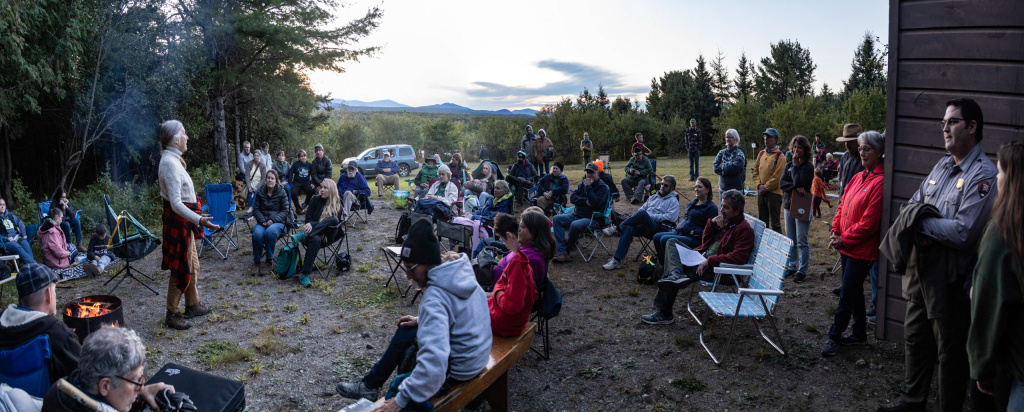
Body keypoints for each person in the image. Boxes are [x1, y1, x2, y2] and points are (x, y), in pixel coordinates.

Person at [877, 98, 998, 412]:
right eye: (943, 122)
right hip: (922, 276)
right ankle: (911, 402)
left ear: (972, 127)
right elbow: (912, 205)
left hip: (951, 282)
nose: (945, 128)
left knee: (949, 355)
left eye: (953, 122)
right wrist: (921, 219)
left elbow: (962, 232)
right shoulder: (941, 165)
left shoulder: (983, 175)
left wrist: (920, 222)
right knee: (916, 341)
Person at [335, 220, 490, 408]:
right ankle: (370, 385)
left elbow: (434, 368)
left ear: (426, 262)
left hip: (460, 369)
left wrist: (398, 401)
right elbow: (464, 311)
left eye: (410, 268)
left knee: (398, 386)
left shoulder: (434, 298)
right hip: (478, 354)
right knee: (405, 330)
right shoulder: (458, 271)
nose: (408, 276)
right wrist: (421, 320)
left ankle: (376, 389)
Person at [642, 189, 755, 325]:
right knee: (671, 242)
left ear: (737, 211)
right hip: (702, 258)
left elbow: (739, 257)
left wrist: (710, 261)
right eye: (721, 205)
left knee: (675, 264)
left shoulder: (744, 230)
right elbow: (705, 241)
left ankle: (665, 312)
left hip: (719, 270)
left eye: (726, 207)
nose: (721, 210)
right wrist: (712, 223)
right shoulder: (727, 221)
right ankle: (676, 275)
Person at [968, 141, 1024, 409]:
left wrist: (981, 367)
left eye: (1000, 170)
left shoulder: (1003, 232)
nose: (996, 176)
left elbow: (988, 307)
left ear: (1011, 178)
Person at [821, 131, 885, 357]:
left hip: (862, 250)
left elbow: (869, 223)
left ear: (878, 152)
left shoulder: (880, 181)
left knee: (847, 293)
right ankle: (859, 333)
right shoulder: (858, 177)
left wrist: (843, 239)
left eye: (866, 148)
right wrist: (835, 229)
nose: (862, 152)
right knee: (854, 290)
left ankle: (834, 336)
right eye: (860, 148)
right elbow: (841, 206)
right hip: (846, 246)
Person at [157, 120, 216, 330]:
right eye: (184, 133)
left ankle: (192, 304)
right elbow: (175, 203)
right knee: (181, 268)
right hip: (180, 221)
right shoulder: (170, 164)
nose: (187, 137)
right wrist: (198, 219)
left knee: (193, 265)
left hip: (185, 222)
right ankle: (172, 313)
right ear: (175, 139)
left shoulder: (174, 160)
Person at [41, 327, 174, 412]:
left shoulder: (61, 392)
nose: (140, 387)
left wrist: (139, 395)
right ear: (105, 386)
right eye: (136, 380)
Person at [0, 263, 81, 386]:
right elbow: (83, 378)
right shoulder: (57, 334)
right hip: (44, 403)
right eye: (55, 290)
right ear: (49, 294)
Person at [603, 175, 680, 270]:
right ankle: (617, 260)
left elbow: (670, 218)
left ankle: (617, 228)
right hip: (644, 225)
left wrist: (649, 216)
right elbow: (641, 209)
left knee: (643, 214)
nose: (662, 186)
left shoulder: (673, 201)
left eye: (666, 185)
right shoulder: (654, 196)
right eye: (662, 184)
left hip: (658, 229)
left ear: (672, 188)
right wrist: (645, 216)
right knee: (629, 227)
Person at [487, 213, 537, 337]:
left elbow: (512, 306)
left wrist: (497, 292)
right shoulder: (528, 257)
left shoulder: (519, 263)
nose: (504, 244)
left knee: (464, 309)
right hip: (512, 320)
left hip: (506, 325)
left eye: (504, 241)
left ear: (509, 236)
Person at [652, 177, 718, 264]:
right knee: (657, 237)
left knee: (665, 239)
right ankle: (664, 264)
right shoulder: (692, 203)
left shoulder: (711, 208)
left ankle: (672, 267)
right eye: (695, 187)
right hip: (680, 232)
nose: (696, 189)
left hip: (694, 238)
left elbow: (711, 231)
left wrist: (694, 232)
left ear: (707, 189)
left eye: (699, 187)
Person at [552, 163, 610, 263]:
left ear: (597, 173)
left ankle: (566, 249)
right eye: (588, 172)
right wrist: (585, 201)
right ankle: (562, 251)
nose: (589, 175)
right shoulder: (581, 184)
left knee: (574, 225)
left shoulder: (602, 188)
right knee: (556, 219)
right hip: (576, 214)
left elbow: (595, 204)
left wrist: (588, 187)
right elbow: (573, 198)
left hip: (592, 219)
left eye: (592, 172)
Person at [779, 135, 814, 282]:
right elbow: (782, 184)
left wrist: (795, 166)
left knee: (801, 239)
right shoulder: (788, 166)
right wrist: (795, 187)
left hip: (801, 206)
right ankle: (792, 266)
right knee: (791, 240)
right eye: (794, 147)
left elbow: (799, 179)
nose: (796, 150)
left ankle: (802, 270)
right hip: (788, 206)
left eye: (799, 147)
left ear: (805, 149)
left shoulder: (808, 167)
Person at [493, 210, 555, 288]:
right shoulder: (533, 249)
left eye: (523, 227)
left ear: (534, 231)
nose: (519, 230)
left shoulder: (527, 259)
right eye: (520, 226)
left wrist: (487, 295)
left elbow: (514, 293)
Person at [297, 179, 342, 288]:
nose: (322, 190)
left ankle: (301, 236)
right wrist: (312, 224)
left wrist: (313, 225)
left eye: (325, 188)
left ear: (331, 190)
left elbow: (333, 226)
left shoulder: (336, 204)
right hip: (313, 237)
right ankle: (305, 274)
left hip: (328, 236)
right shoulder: (314, 200)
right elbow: (308, 219)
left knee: (334, 220)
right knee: (316, 239)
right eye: (321, 187)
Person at [252, 169, 289, 275]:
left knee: (270, 232)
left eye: (272, 178)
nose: (270, 180)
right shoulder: (260, 192)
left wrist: (273, 220)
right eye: (268, 178)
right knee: (257, 234)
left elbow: (285, 210)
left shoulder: (282, 192)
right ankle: (257, 262)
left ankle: (269, 261)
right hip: (262, 222)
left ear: (276, 180)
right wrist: (263, 221)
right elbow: (256, 209)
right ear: (265, 180)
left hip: (279, 223)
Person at [753, 127, 786, 232]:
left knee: (775, 223)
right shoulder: (761, 154)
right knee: (762, 222)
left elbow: (778, 177)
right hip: (761, 192)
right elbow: (755, 171)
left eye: (769, 137)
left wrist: (765, 187)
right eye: (765, 137)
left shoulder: (780, 156)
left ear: (775, 139)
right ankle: (763, 245)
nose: (766, 139)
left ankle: (777, 247)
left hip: (774, 194)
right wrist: (759, 185)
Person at [0, 198, 35, 264]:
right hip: (6, 242)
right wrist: (6, 238)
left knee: (25, 243)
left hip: (16, 237)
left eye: (3, 205)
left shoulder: (10, 215)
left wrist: (24, 234)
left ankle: (31, 265)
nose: (2, 206)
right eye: (0, 205)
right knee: (16, 246)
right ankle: (34, 265)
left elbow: (20, 223)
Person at [835, 124, 865, 197]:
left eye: (850, 141)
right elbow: (841, 181)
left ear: (858, 141)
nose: (846, 144)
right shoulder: (844, 157)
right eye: (845, 141)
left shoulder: (866, 158)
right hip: (843, 201)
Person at [289, 149, 315, 214]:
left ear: (306, 157)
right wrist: (290, 183)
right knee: (293, 193)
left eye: (304, 156)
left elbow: (313, 174)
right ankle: (298, 208)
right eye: (301, 156)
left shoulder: (309, 165)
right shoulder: (295, 164)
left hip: (306, 182)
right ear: (299, 158)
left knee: (311, 190)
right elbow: (290, 173)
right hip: (297, 182)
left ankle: (306, 203)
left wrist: (312, 183)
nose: (303, 157)